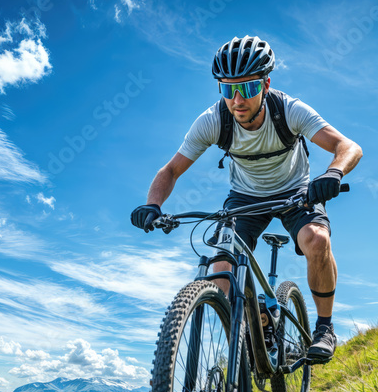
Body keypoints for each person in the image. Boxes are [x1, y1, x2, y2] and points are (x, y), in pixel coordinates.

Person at [130, 35, 362, 363]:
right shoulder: (213, 121)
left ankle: (324, 327)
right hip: (245, 198)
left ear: (266, 85)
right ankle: (250, 337)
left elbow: (348, 147)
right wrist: (153, 205)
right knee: (221, 270)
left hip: (295, 191)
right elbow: (170, 170)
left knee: (317, 239)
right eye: (228, 89)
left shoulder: (289, 110)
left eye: (248, 88)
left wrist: (333, 173)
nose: (237, 100)